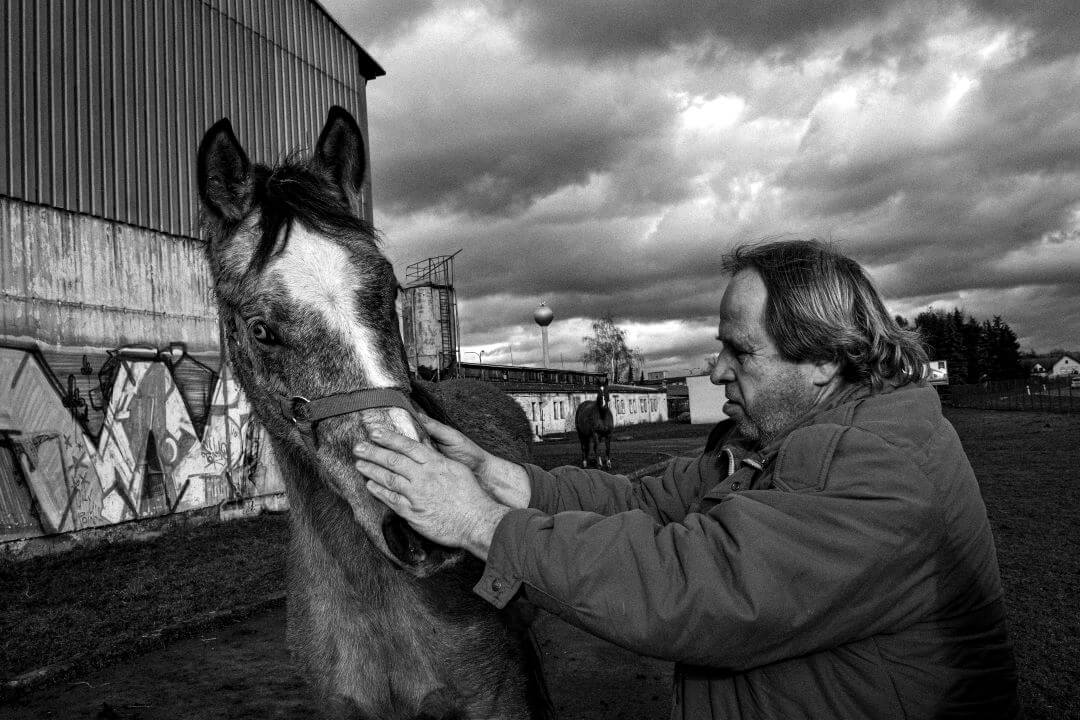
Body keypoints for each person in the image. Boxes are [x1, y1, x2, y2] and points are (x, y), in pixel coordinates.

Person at [353, 240, 1021, 719]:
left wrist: (479, 523)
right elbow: (648, 500)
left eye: (740, 350)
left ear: (822, 360)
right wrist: (508, 483)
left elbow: (691, 585)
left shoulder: (880, 469)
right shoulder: (772, 441)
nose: (716, 369)